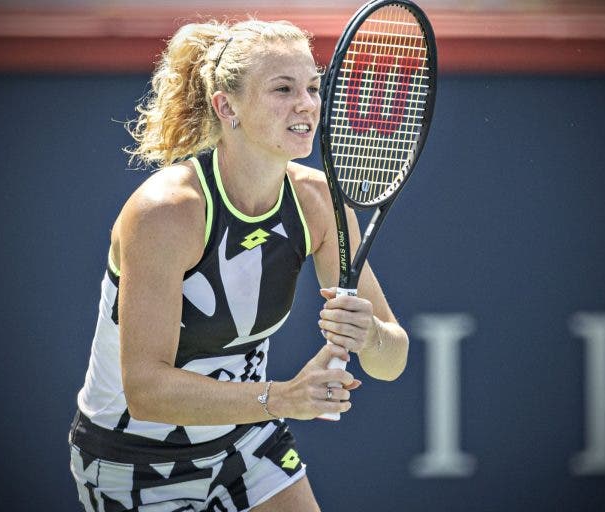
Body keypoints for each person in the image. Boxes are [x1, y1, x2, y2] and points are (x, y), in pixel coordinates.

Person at [68, 17, 409, 512]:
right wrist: (284, 396)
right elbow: (145, 389)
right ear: (227, 106)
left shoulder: (317, 202)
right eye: (283, 89)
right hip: (131, 460)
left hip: (248, 442)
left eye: (313, 87)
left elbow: (391, 360)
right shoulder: (166, 213)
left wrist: (370, 335)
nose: (307, 104)